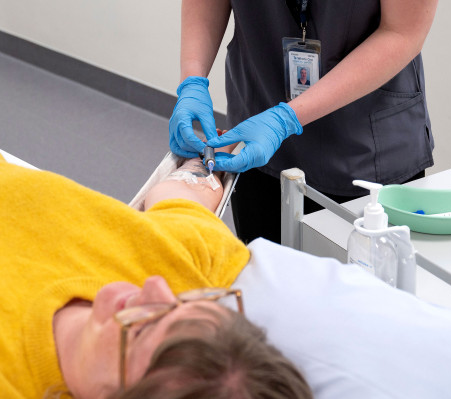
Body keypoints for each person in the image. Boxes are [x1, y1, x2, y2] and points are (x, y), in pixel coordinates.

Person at [0, 153, 312, 399]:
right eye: (181, 302)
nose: (155, 285)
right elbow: (188, 191)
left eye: (140, 331)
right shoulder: (197, 271)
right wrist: (207, 156)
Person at [169, 0, 438, 243]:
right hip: (258, 131)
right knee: (266, 275)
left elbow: (402, 31)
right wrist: (192, 77)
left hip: (366, 150)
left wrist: (286, 118)